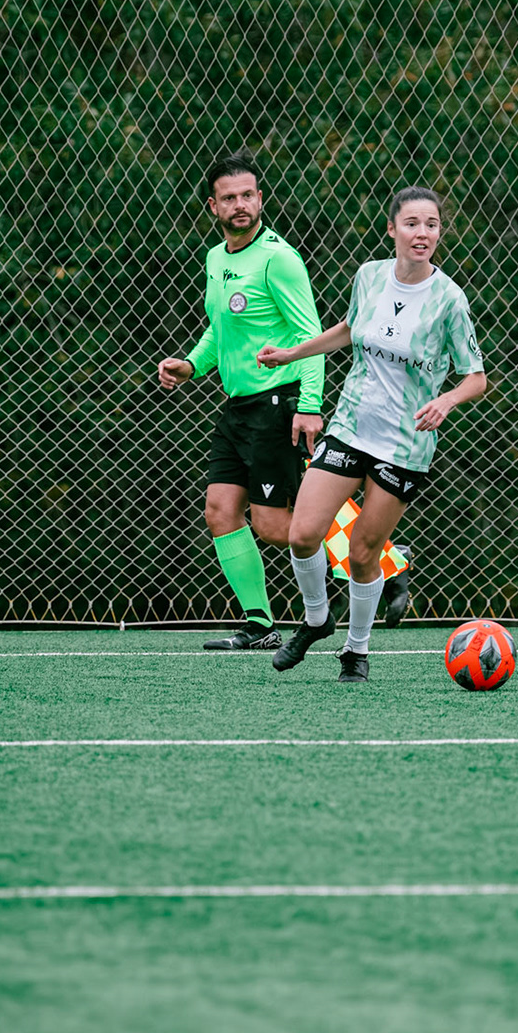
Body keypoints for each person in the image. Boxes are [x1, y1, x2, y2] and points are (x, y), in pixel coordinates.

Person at [257, 187, 486, 681]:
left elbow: (476, 377)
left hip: (405, 445)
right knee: (302, 534)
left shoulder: (449, 300)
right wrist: (292, 354)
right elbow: (347, 329)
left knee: (363, 553)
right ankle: (317, 617)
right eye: (411, 223)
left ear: (438, 232)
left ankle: (356, 651)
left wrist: (447, 399)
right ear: (392, 230)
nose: (421, 233)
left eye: (430, 224)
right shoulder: (369, 276)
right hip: (351, 427)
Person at [158, 151, 327, 650]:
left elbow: (310, 335)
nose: (239, 205)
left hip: (279, 402)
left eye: (247, 195)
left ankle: (382, 558)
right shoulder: (215, 258)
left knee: (276, 528)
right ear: (213, 206)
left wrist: (311, 404)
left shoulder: (279, 258)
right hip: (237, 407)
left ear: (260, 199)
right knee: (219, 510)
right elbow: (221, 329)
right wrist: (191, 365)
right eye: (228, 198)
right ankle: (260, 624)